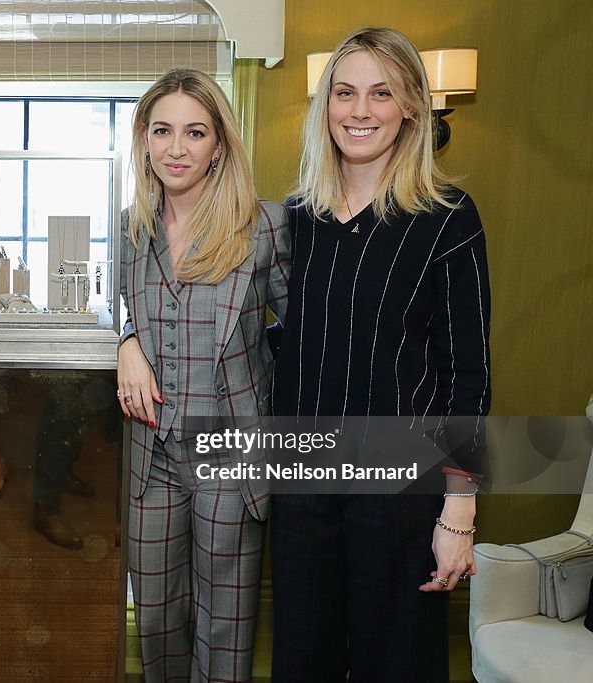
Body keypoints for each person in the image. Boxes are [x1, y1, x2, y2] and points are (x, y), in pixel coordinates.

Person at [269, 27, 491, 682]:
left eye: (380, 93)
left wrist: (460, 506)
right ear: (324, 106)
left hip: (400, 492)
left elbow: (469, 373)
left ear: (412, 107)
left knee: (395, 663)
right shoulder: (294, 217)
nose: (359, 110)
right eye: (344, 92)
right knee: (300, 660)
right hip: (302, 482)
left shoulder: (449, 217)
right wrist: (132, 336)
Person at [116, 68, 291, 682]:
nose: (176, 148)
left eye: (195, 132)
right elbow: (125, 308)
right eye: (162, 131)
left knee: (225, 625)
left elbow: (300, 335)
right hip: (153, 457)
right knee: (158, 622)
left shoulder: (263, 225)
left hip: (230, 454)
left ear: (220, 144)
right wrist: (127, 340)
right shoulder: (131, 228)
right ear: (143, 138)